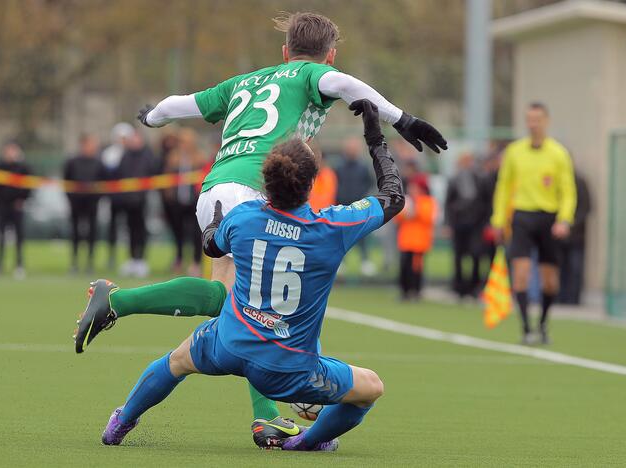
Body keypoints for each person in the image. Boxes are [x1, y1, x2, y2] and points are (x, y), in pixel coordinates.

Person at [76, 11, 446, 448]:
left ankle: (264, 415)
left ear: (284, 50)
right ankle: (120, 302)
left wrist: (153, 117)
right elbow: (347, 87)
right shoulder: (313, 74)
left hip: (214, 191)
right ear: (330, 55)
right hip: (253, 193)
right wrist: (400, 119)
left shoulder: (243, 82)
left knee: (236, 305)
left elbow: (181, 103)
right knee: (247, 302)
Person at [83, 99, 406, 450]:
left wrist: (217, 222)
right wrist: (375, 137)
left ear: (265, 182)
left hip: (229, 343)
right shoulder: (332, 227)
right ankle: (307, 442)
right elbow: (393, 196)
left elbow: (211, 247)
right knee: (370, 387)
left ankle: (120, 423)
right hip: (290, 366)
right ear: (312, 183)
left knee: (176, 361)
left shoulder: (246, 216)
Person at [491, 102, 576, 345]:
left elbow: (568, 190)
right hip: (522, 217)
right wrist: (498, 219)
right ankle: (527, 327)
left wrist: (564, 219)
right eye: (529, 119)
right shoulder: (515, 152)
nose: (532, 124)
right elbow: (503, 186)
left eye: (537, 119)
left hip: (549, 220)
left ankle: (543, 322)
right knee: (521, 275)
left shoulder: (558, 153)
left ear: (546, 121)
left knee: (550, 281)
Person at [160, 128, 205, 276]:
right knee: (178, 232)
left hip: (194, 201)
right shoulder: (173, 158)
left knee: (195, 232)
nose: (184, 145)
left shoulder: (199, 159)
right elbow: (167, 178)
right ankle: (179, 259)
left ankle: (196, 262)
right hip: (177, 201)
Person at [445, 152, 489, 299]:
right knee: (458, 256)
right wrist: (448, 223)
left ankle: (474, 286)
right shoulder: (454, 180)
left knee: (476, 254)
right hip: (459, 223)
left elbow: (486, 202)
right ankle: (459, 287)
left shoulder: (481, 179)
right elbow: (448, 203)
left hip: (476, 223)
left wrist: (485, 221)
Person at [113, 131, 156, 278]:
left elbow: (152, 173)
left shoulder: (147, 156)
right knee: (130, 230)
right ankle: (132, 259)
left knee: (141, 230)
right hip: (128, 201)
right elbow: (120, 175)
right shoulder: (125, 156)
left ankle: (141, 260)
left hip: (142, 200)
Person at [0, 141, 32, 280]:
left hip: (16, 207)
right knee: (0, 237)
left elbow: (29, 185)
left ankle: (19, 265)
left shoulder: (22, 168)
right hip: (2, 207)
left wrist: (22, 200)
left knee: (19, 237)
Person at [63, 134, 107, 274]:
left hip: (92, 203)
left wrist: (97, 198)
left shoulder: (98, 163)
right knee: (75, 232)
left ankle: (90, 262)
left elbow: (103, 183)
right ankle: (74, 262)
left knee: (92, 232)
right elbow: (66, 181)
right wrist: (71, 198)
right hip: (76, 203)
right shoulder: (72, 162)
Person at [335, 137, 375, 275]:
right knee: (342, 235)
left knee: (362, 235)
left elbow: (369, 183)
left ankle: (365, 262)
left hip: (359, 207)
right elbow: (336, 184)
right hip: (343, 206)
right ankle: (341, 263)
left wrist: (362, 196)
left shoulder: (363, 167)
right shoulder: (339, 167)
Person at [394, 178, 438, 300]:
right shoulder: (406, 200)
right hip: (406, 240)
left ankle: (416, 291)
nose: (412, 190)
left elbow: (428, 218)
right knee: (404, 267)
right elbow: (397, 218)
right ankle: (404, 291)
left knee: (416, 268)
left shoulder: (427, 201)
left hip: (419, 241)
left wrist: (415, 208)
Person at [101, 122, 135, 269]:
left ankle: (132, 258)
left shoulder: (133, 154)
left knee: (130, 228)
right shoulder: (109, 154)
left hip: (130, 198)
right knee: (112, 228)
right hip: (114, 198)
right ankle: (111, 257)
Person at [558, 170, 591, 305]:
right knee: (560, 267)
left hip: (576, 236)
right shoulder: (558, 181)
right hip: (558, 235)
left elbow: (586, 208)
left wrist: (569, 225)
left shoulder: (580, 182)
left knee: (575, 267)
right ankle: (559, 297)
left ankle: (573, 299)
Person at [307, 145, 337, 212]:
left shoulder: (330, 174)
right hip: (310, 216)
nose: (319, 163)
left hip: (326, 215)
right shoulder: (307, 175)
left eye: (320, 160)